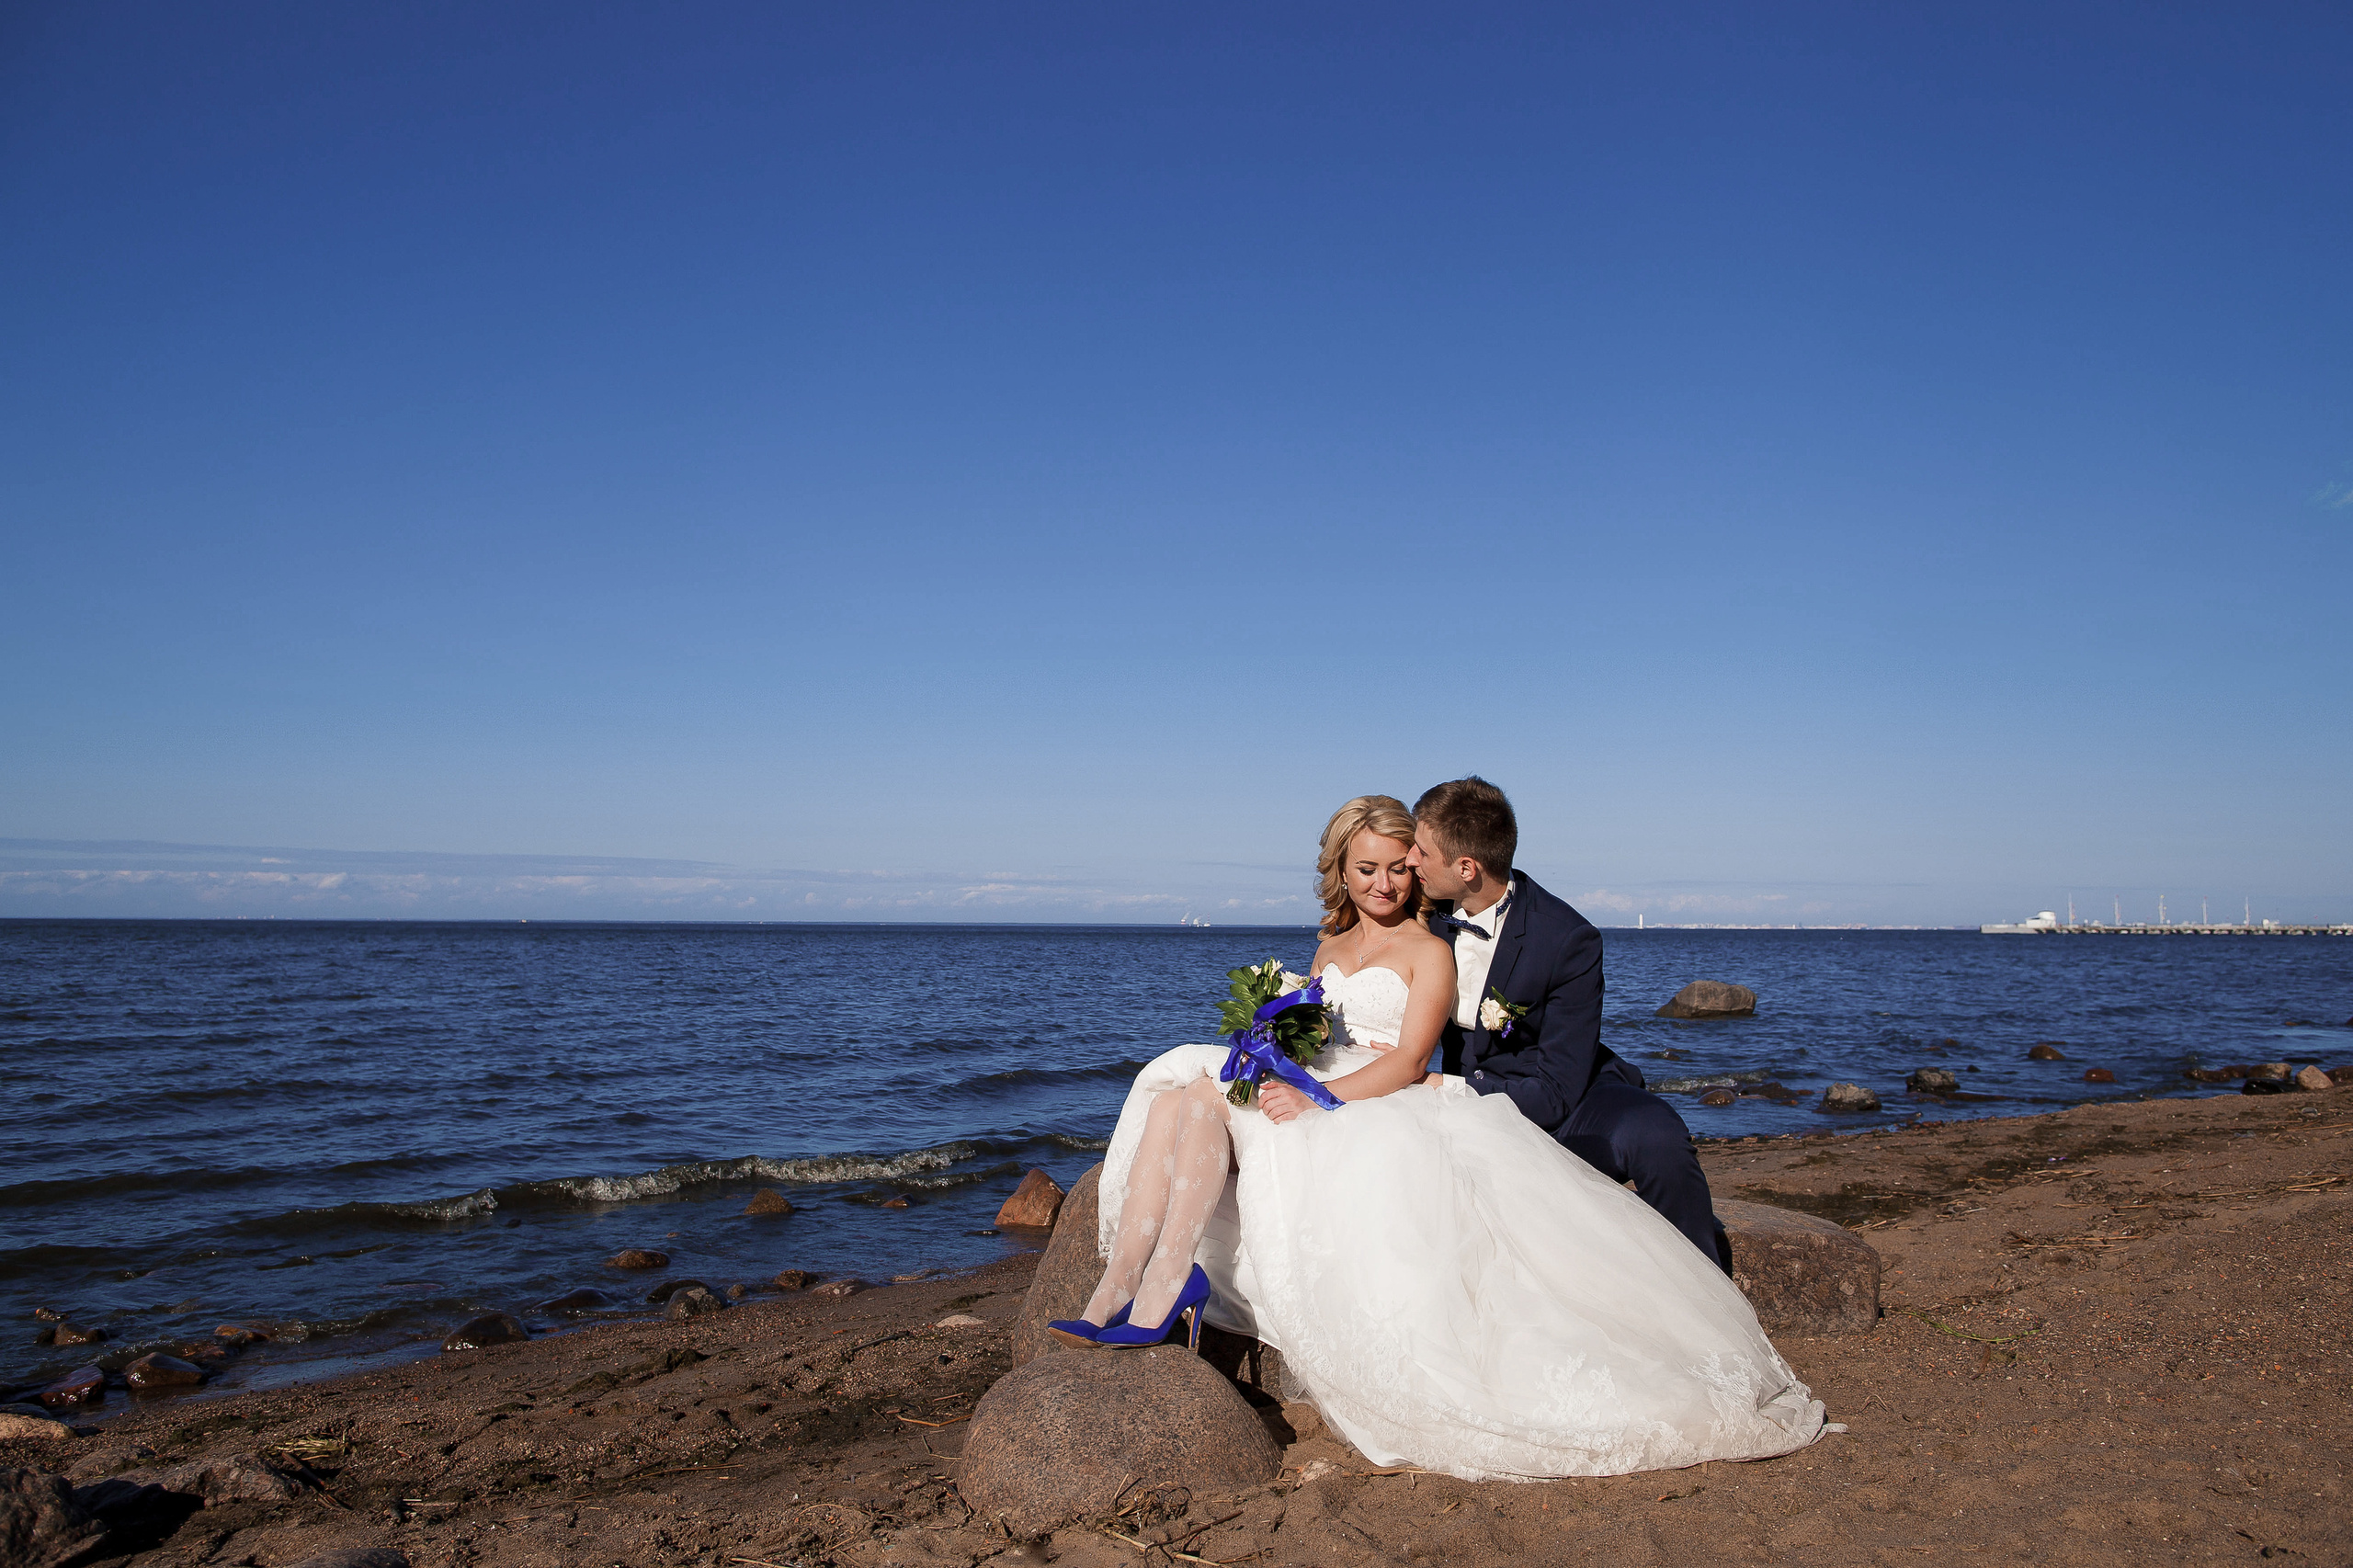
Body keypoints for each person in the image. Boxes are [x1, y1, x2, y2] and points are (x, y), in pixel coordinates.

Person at [1051, 794, 1826, 1481]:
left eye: (1404, 863)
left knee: (1650, 1139)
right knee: (1185, 1089)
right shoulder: (1330, 949)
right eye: (1370, 867)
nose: (1390, 879)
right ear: (1340, 870)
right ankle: (1133, 1281)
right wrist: (1275, 1045)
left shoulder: (1465, 944)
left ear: (1441, 868)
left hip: (1421, 1095)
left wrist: (1320, 1096)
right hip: (1346, 1080)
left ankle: (1156, 1290)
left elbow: (1419, 1059)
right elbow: (1329, 1031)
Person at [1405, 776, 1733, 1267]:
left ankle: (1705, 1290)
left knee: (1655, 1133)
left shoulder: (1567, 939)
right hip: (1448, 1094)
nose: (1410, 861)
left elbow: (1557, 1090)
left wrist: (1451, 1089)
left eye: (1422, 852)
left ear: (1467, 867)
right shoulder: (1421, 912)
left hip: (1558, 1096)